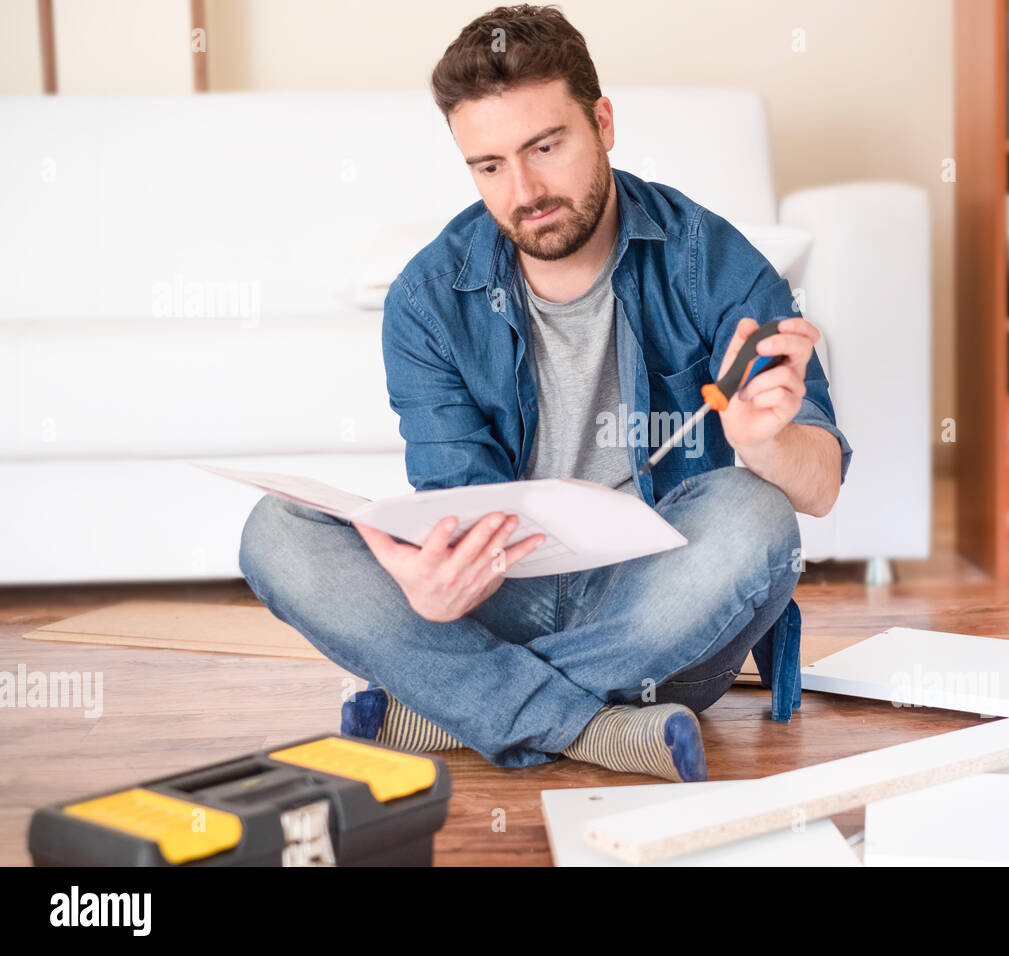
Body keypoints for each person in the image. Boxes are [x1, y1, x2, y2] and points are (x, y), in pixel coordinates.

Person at [238, 3, 851, 783]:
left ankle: (457, 705)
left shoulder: (708, 259)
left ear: (602, 121)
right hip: (504, 595)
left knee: (758, 514)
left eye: (545, 146)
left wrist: (766, 443)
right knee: (276, 532)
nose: (523, 190)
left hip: (659, 608)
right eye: (489, 166)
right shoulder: (428, 298)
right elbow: (456, 504)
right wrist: (435, 582)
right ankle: (596, 729)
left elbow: (822, 486)